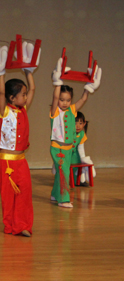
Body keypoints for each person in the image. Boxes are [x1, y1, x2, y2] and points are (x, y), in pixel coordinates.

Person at [0, 42, 38, 237]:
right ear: (12, 98)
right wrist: (0, 73)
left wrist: (28, 72)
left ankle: (23, 225)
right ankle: (10, 226)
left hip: (21, 161)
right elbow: (0, 92)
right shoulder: (5, 111)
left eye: (24, 94)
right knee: (9, 196)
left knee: (24, 193)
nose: (25, 96)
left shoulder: (22, 109)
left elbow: (32, 90)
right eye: (21, 94)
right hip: (6, 162)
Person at [50, 59, 101, 207]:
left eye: (68, 100)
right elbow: (55, 97)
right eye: (62, 99)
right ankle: (64, 198)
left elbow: (83, 99)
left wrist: (88, 88)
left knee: (62, 172)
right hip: (57, 148)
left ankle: (55, 194)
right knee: (64, 173)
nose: (65, 102)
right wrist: (58, 82)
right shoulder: (55, 111)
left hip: (68, 148)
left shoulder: (72, 110)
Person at [71, 112, 95, 186]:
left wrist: (83, 159)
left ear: (84, 123)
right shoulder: (69, 133)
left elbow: (81, 148)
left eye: (80, 123)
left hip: (75, 153)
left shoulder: (82, 134)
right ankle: (66, 181)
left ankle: (81, 180)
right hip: (66, 152)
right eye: (75, 123)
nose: (78, 126)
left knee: (79, 162)